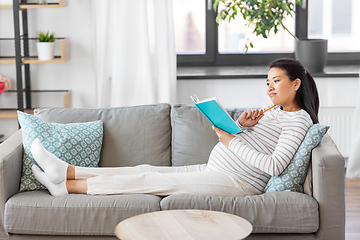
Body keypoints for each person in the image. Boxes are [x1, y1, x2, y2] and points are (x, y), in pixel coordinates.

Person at [31, 58, 319, 197]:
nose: (269, 87)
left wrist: (232, 141)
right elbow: (255, 145)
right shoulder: (275, 112)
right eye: (267, 82)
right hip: (215, 170)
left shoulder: (299, 120)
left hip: (238, 184)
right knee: (141, 169)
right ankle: (65, 172)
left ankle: (67, 188)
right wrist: (240, 126)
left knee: (147, 182)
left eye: (276, 81)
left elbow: (274, 165)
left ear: (296, 83)